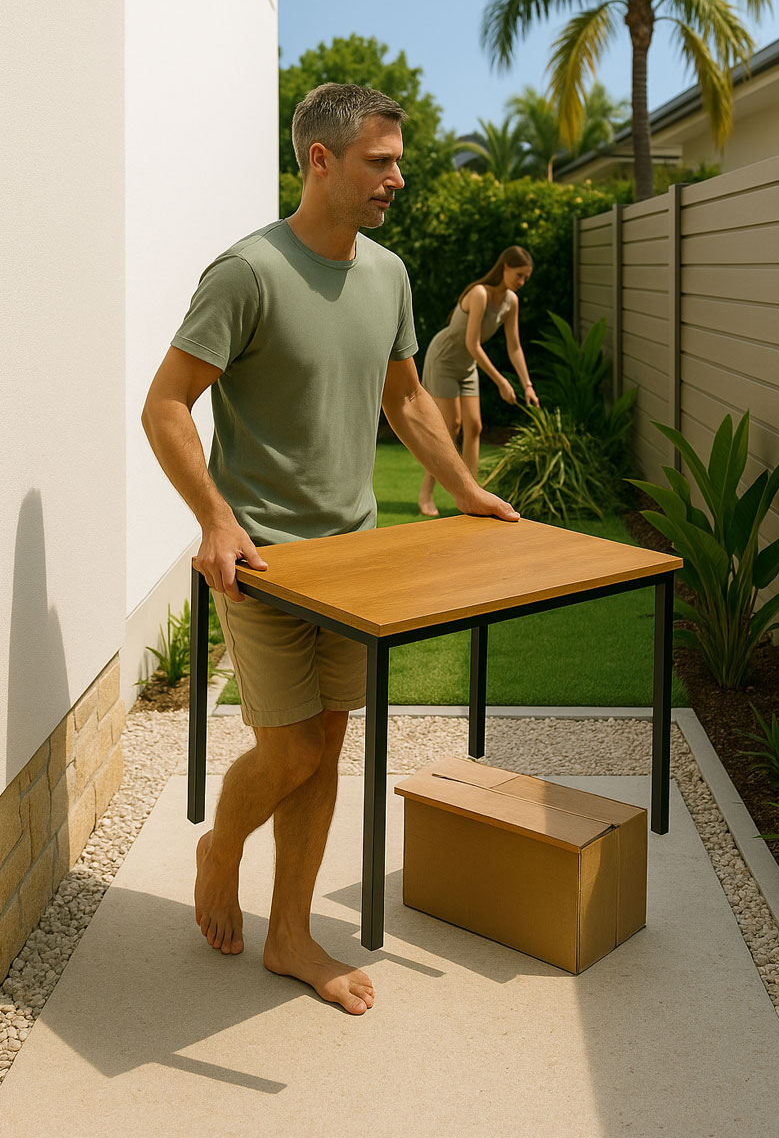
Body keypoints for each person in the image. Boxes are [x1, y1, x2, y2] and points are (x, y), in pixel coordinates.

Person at [141, 82, 520, 1017]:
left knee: (330, 743)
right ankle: (221, 845)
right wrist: (216, 519)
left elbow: (405, 400)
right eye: (379, 160)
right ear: (320, 160)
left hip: (357, 561)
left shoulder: (387, 274)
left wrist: (466, 490)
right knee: (289, 753)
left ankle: (293, 935)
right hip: (264, 561)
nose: (398, 175)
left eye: (398, 158)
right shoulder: (248, 273)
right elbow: (165, 406)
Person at [417, 247, 539, 517]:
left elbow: (515, 346)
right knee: (450, 428)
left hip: (467, 365)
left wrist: (527, 384)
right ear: (505, 266)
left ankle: (473, 494)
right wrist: (500, 381)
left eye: (525, 278)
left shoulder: (511, 302)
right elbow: (472, 343)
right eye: (519, 275)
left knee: (474, 426)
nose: (521, 282)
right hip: (445, 360)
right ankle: (426, 493)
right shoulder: (480, 293)